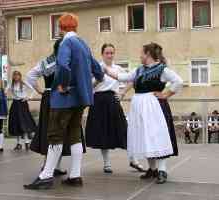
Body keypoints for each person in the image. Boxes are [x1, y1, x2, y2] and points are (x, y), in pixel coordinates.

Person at [24, 13, 104, 190]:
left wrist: (63, 84)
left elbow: (63, 65)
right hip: (81, 99)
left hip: (63, 100)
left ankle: (46, 176)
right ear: (75, 27)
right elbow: (99, 72)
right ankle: (75, 175)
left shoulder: (66, 42)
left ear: (61, 28)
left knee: (55, 136)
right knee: (75, 135)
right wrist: (87, 86)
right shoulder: (83, 44)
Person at [105, 42, 183, 184]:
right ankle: (152, 169)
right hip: (140, 107)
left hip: (154, 107)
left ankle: (162, 170)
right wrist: (104, 69)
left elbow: (178, 81)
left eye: (141, 53)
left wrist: (166, 94)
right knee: (145, 136)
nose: (140, 55)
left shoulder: (162, 69)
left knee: (156, 136)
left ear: (147, 54)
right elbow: (123, 77)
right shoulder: (139, 70)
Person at [27, 38, 86, 177]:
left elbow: (30, 76)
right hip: (63, 97)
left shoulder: (46, 62)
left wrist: (41, 90)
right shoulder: (68, 62)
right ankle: (49, 167)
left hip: (49, 96)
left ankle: (54, 167)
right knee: (58, 132)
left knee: (53, 131)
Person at [85, 43, 145, 173]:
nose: (109, 55)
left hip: (113, 100)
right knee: (103, 133)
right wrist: (97, 80)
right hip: (98, 101)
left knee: (124, 130)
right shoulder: (96, 68)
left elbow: (132, 79)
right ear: (102, 54)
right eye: (107, 53)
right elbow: (89, 87)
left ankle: (133, 160)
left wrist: (123, 93)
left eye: (112, 53)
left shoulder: (118, 68)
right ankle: (107, 164)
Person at [7, 70, 37, 151]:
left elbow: (33, 90)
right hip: (15, 104)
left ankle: (27, 142)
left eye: (18, 75)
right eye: (15, 75)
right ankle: (19, 143)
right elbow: (6, 90)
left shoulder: (23, 83)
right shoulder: (11, 84)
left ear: (20, 76)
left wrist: (28, 97)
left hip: (22, 104)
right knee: (16, 123)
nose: (16, 77)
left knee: (24, 123)